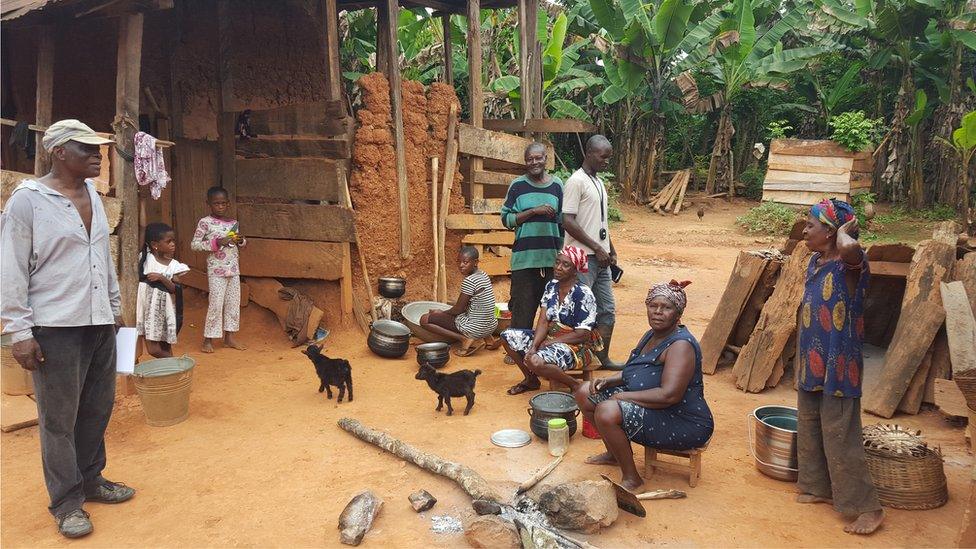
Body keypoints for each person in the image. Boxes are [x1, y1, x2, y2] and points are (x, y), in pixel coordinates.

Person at [1, 119, 136, 538]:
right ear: (59, 152)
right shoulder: (28, 201)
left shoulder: (93, 196)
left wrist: (114, 310)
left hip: (98, 323)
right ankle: (66, 502)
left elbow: (103, 259)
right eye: (88, 149)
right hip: (54, 328)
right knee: (59, 419)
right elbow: (10, 269)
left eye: (99, 150)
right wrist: (18, 332)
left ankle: (92, 479)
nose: (98, 156)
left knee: (96, 407)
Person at [795, 199, 884, 535]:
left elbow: (851, 251)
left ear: (831, 233)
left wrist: (846, 233)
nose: (804, 231)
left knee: (839, 432)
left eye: (811, 226)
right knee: (810, 422)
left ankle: (866, 507)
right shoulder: (816, 261)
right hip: (812, 358)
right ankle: (817, 486)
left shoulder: (851, 265)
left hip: (839, 363)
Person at [576, 280, 714, 492]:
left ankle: (633, 479)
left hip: (680, 420)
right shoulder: (652, 334)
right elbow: (636, 370)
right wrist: (610, 380)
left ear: (678, 314)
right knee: (585, 392)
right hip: (655, 406)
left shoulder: (680, 346)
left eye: (666, 307)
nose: (658, 312)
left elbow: (670, 396)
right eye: (653, 306)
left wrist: (622, 397)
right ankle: (614, 454)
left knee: (607, 411)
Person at [500, 246, 601, 394]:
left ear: (575, 270)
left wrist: (549, 343)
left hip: (576, 346)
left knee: (535, 361)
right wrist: (534, 346)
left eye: (566, 265)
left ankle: (574, 385)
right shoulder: (551, 286)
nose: (558, 267)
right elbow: (543, 321)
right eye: (557, 262)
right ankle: (531, 379)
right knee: (507, 337)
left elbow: (582, 334)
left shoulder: (584, 294)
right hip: (551, 337)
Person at [562, 135, 621, 369]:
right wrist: (597, 247)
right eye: (603, 156)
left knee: (606, 309)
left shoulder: (598, 182)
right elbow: (567, 220)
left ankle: (601, 358)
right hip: (582, 258)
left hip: (600, 257)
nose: (607, 161)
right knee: (582, 311)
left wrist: (609, 249)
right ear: (589, 154)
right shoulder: (576, 182)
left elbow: (600, 224)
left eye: (609, 157)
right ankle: (578, 360)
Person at [500, 143, 563, 332]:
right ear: (525, 162)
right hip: (525, 260)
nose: (534, 162)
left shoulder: (557, 185)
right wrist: (534, 211)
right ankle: (517, 349)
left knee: (552, 311)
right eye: (529, 159)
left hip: (551, 260)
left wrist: (562, 255)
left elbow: (563, 221)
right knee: (522, 308)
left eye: (538, 158)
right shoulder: (517, 186)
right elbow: (507, 219)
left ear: (546, 159)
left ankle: (545, 351)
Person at [191, 186, 247, 353]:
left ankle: (229, 338)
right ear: (208, 204)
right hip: (216, 272)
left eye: (223, 203)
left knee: (233, 304)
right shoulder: (205, 222)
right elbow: (194, 244)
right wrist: (216, 243)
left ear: (228, 204)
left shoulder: (233, 223)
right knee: (215, 304)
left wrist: (242, 241)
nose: (220, 206)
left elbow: (241, 245)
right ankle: (208, 340)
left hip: (234, 271)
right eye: (216, 203)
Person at [420, 246, 499, 356]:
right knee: (474, 310)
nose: (461, 265)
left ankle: (464, 339)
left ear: (475, 262)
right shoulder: (483, 275)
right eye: (459, 262)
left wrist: (441, 312)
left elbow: (458, 309)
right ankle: (488, 339)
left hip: (475, 328)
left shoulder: (470, 281)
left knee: (424, 319)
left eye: (465, 262)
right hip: (491, 326)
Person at [136, 222, 190, 358]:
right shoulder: (147, 258)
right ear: (154, 245)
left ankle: (175, 365)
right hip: (145, 306)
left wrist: (161, 278)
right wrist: (142, 202)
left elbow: (175, 289)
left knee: (157, 348)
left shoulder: (174, 265)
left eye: (173, 241)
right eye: (168, 241)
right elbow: (142, 227)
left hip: (162, 309)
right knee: (157, 347)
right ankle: (173, 372)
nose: (173, 244)